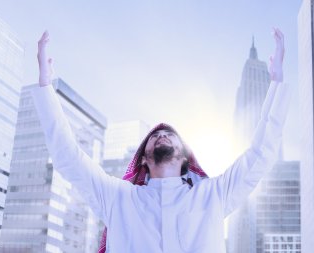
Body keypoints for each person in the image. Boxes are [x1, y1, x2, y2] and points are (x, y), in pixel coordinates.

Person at [33, 28, 289, 253]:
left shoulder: (213, 195)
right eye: (154, 136)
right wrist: (45, 86)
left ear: (185, 156)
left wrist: (276, 84)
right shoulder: (118, 198)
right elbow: (68, 157)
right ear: (143, 158)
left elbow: (260, 154)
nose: (161, 136)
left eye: (169, 135)